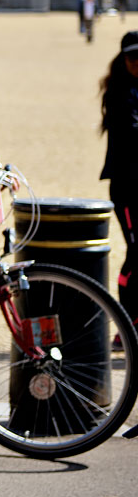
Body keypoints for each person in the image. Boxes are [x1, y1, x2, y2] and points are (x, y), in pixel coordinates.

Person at [100, 32, 138, 326]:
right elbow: (131, 133)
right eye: (132, 57)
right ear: (123, 59)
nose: (136, 62)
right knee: (136, 254)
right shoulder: (117, 94)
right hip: (128, 188)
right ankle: (128, 320)